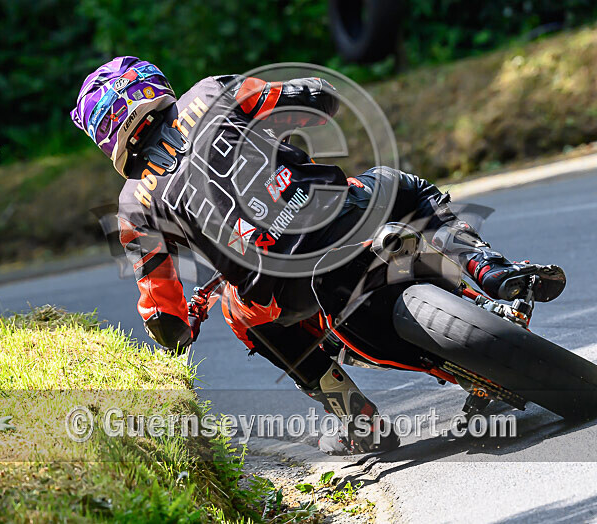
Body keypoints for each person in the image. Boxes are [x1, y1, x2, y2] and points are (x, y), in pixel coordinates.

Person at [71, 56, 566, 455]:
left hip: (283, 288)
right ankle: (492, 271)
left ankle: (356, 418)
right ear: (152, 85)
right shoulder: (212, 92)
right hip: (342, 211)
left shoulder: (132, 206)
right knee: (405, 188)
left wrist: (181, 332)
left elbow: (164, 318)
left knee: (236, 312)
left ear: (106, 137)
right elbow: (317, 98)